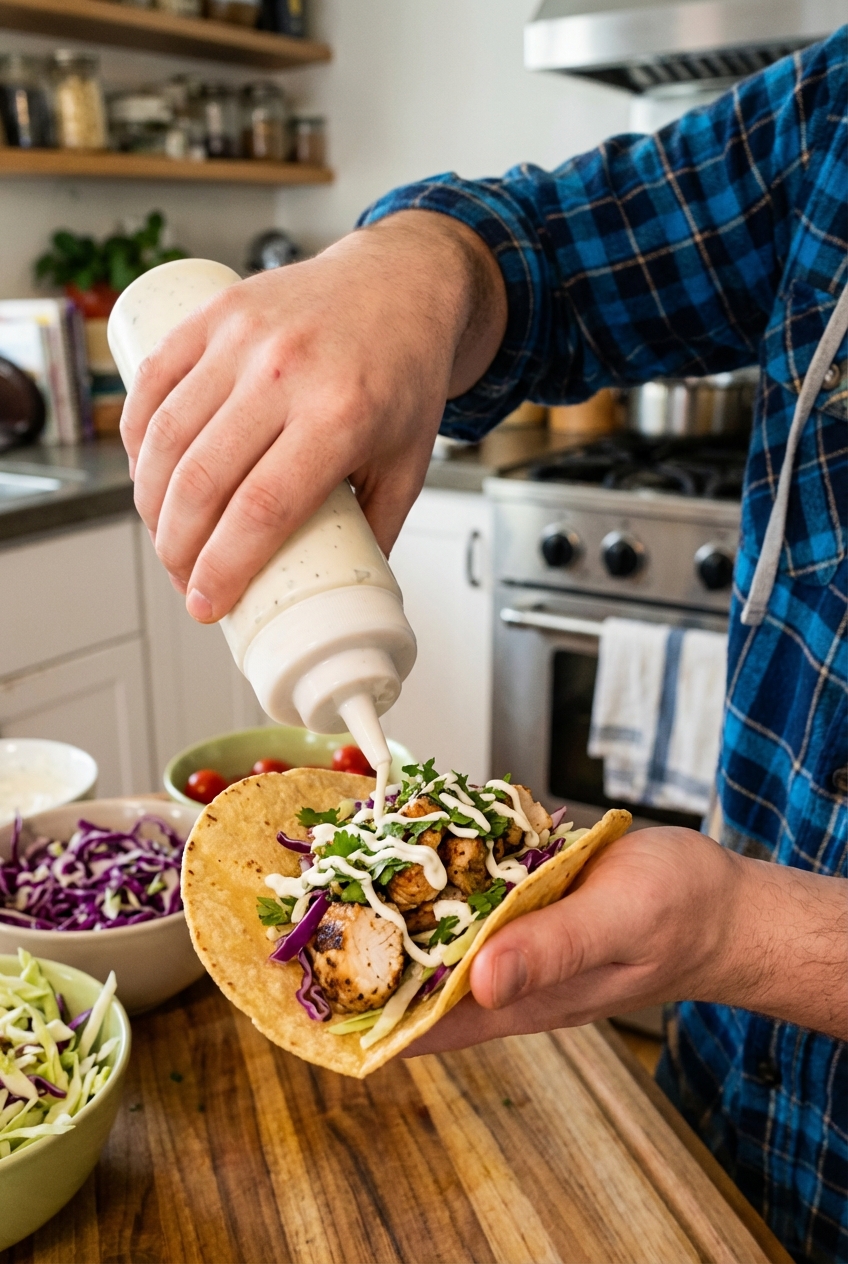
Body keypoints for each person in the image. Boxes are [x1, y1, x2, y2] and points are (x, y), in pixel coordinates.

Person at [120, 30, 846, 1264]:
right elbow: (556, 253)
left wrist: (744, 935)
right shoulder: (833, 118)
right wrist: (417, 268)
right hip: (710, 1126)